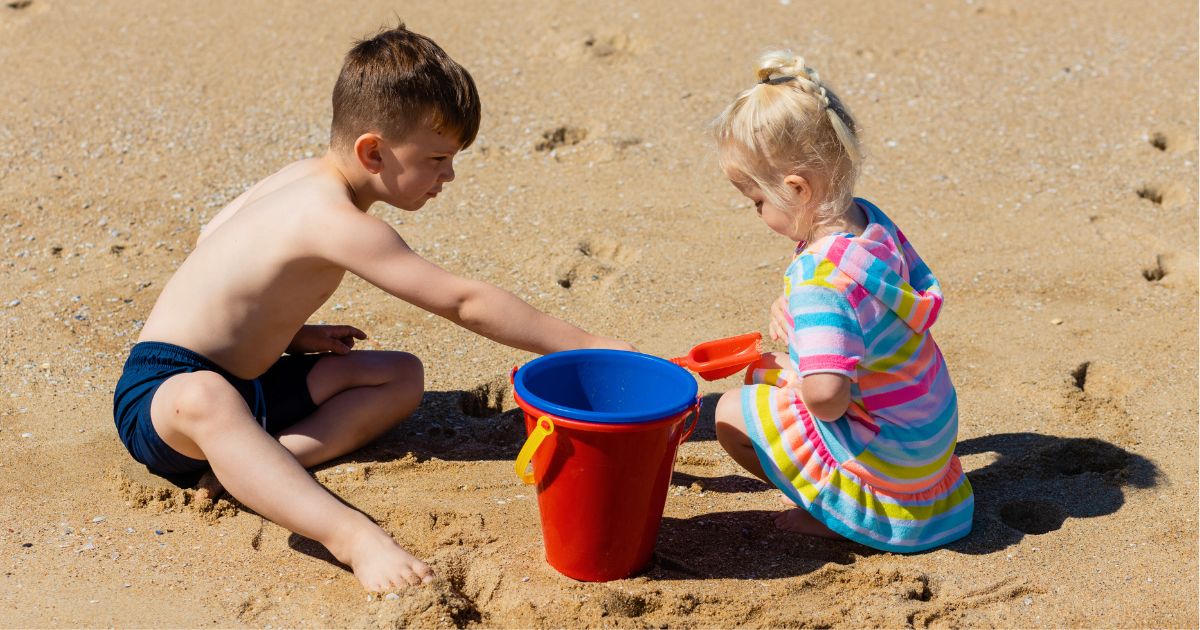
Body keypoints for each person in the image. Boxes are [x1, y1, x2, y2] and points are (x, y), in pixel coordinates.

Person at [112, 23, 632, 592]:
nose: (448, 175)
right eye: (436, 158)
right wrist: (592, 346)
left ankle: (262, 465)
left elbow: (214, 241)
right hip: (164, 397)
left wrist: (291, 332)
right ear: (373, 151)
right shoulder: (335, 219)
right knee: (204, 395)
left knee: (400, 374)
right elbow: (464, 301)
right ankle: (351, 537)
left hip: (248, 384)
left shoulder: (299, 177)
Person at [709, 51, 973, 552]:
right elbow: (864, 312)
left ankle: (841, 515)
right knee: (770, 369)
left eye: (757, 202)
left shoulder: (818, 281)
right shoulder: (871, 226)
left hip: (891, 470)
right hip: (926, 443)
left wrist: (807, 370)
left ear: (796, 189)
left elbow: (828, 396)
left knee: (730, 413)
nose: (757, 213)